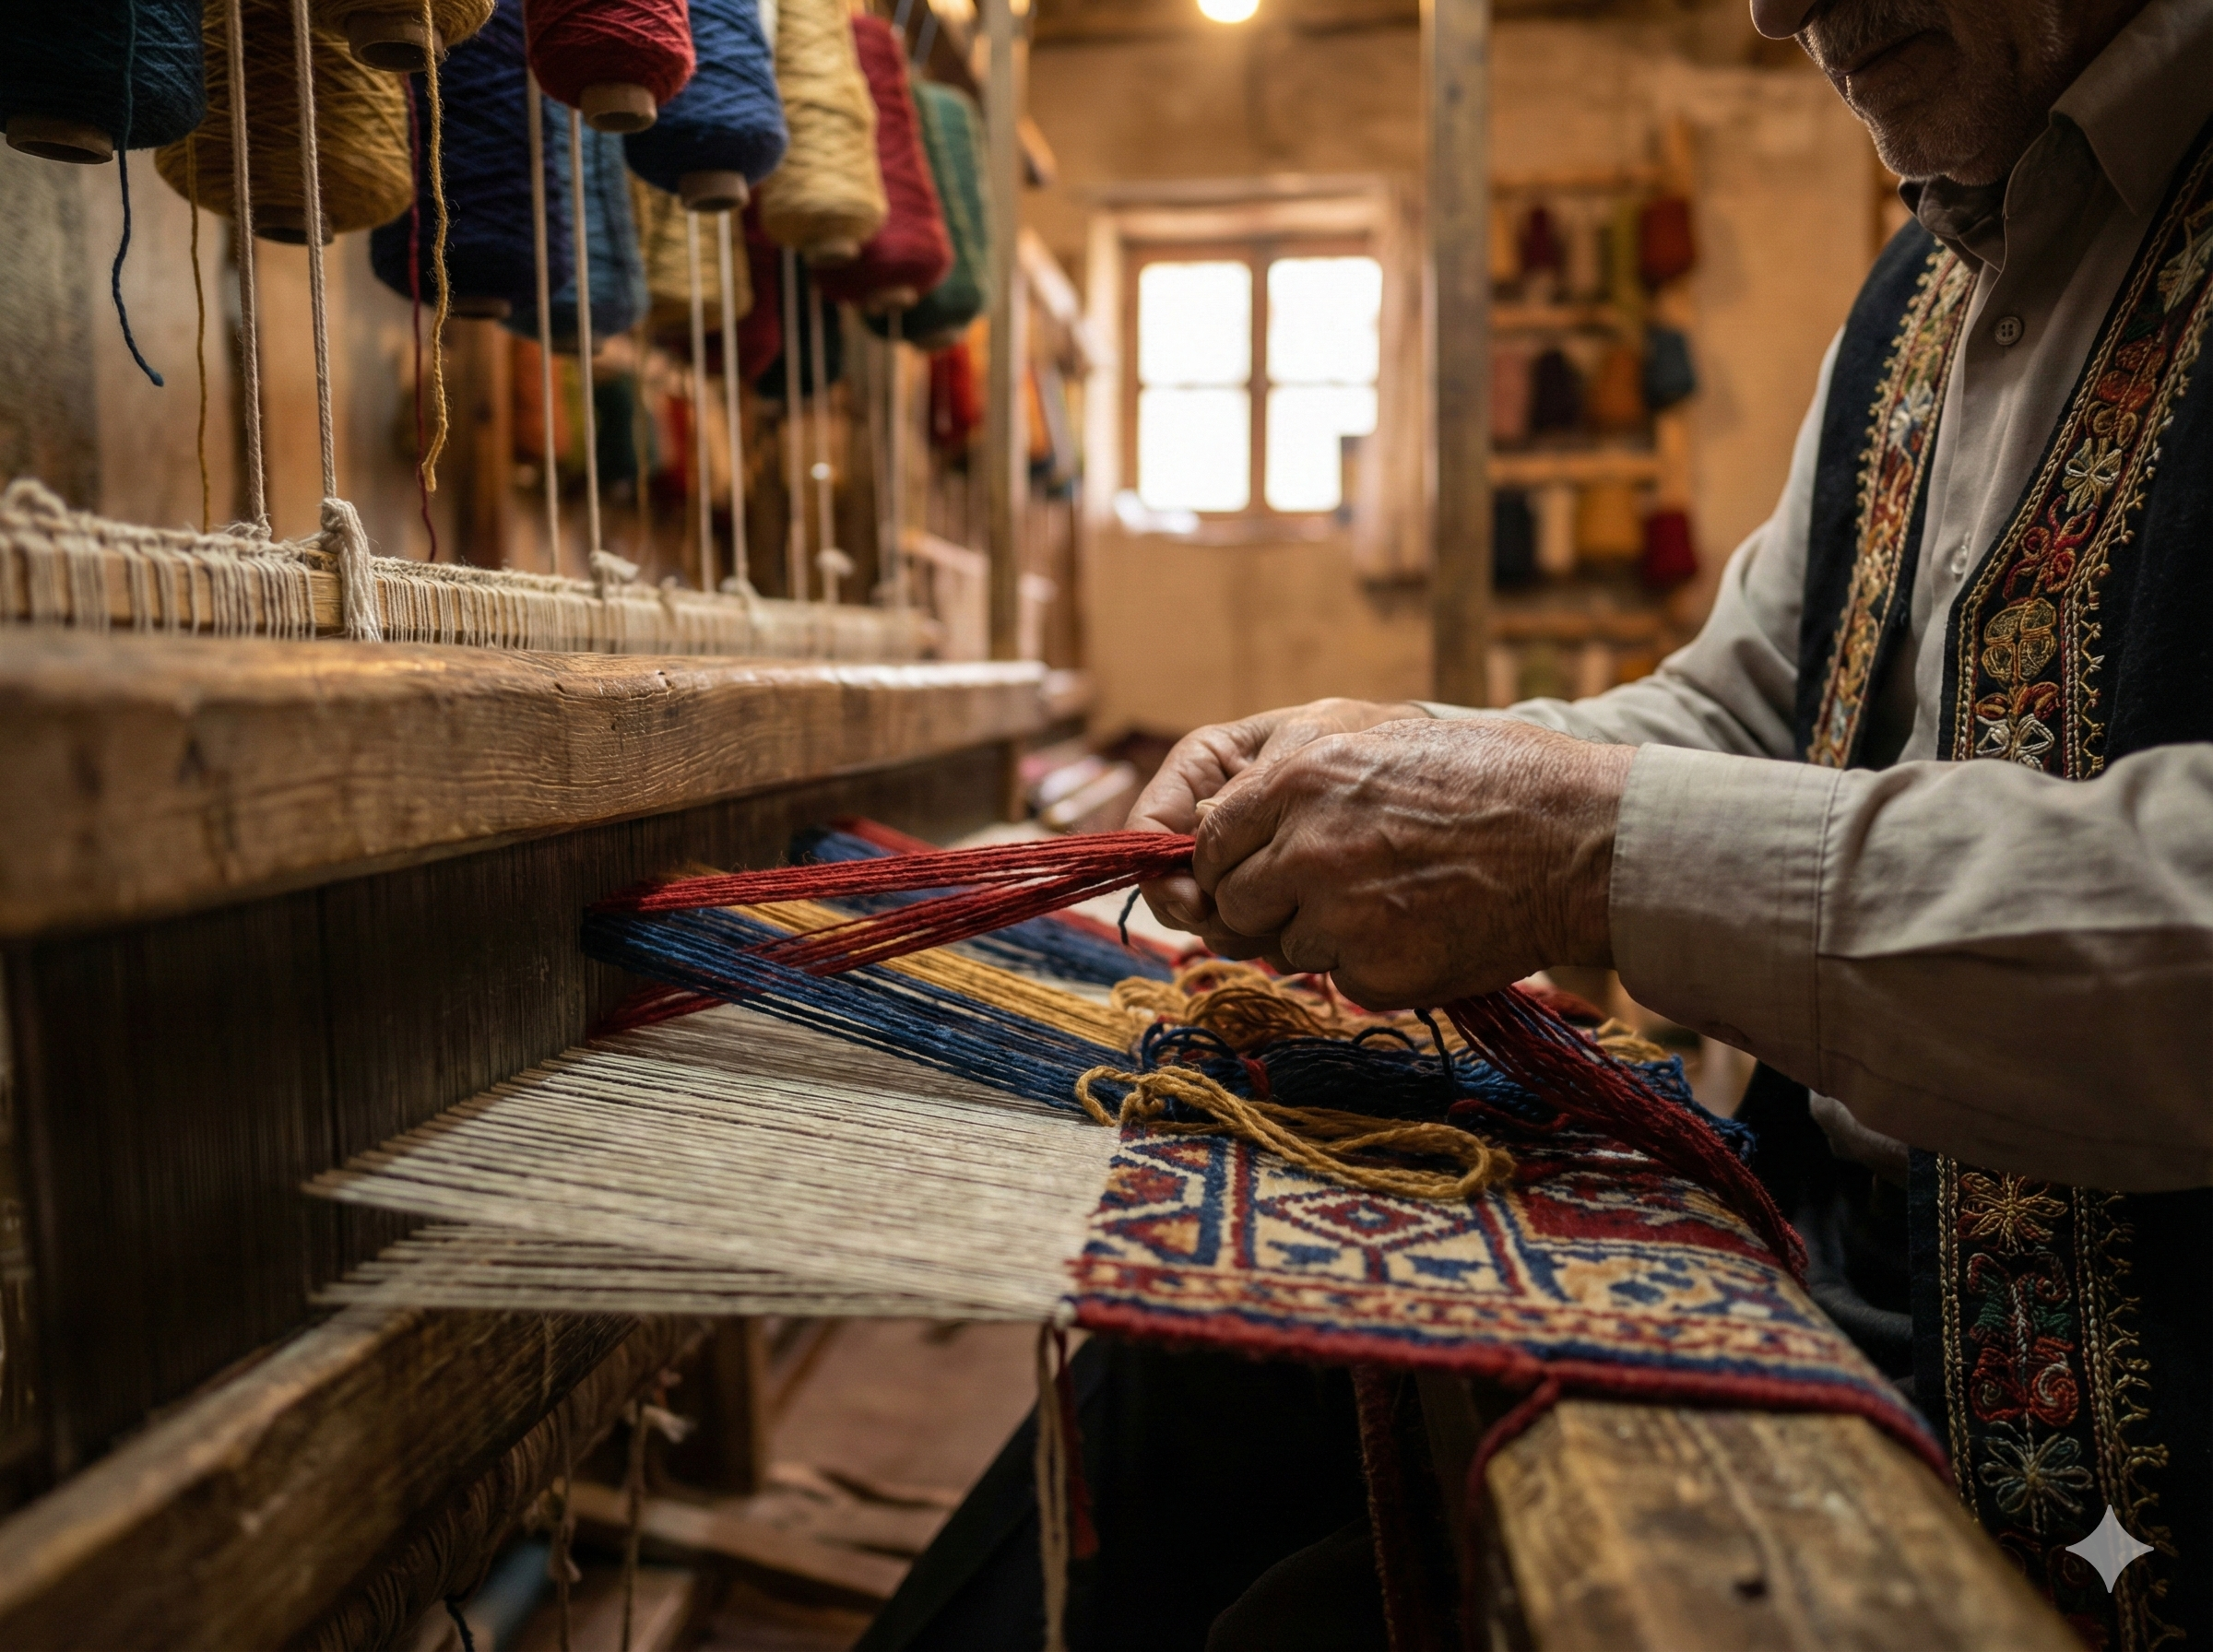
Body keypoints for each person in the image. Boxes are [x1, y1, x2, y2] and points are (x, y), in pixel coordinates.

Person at [1126, 0, 2212, 1643]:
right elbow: (1741, 709)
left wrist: (1571, 846)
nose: (1776, 10)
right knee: (1210, 1432)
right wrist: (1402, 761)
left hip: (2156, 1482)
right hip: (1843, 1284)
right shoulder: (1923, 295)